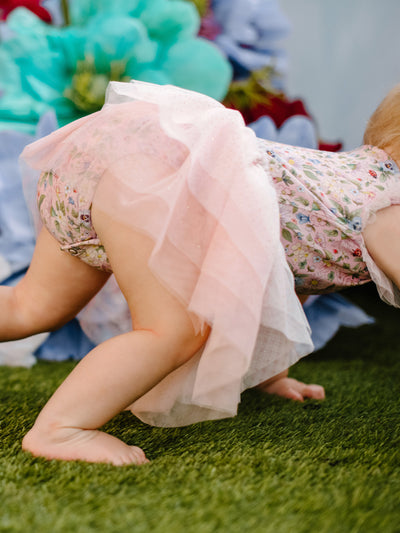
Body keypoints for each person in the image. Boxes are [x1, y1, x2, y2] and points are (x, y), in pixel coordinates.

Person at [3, 81, 399, 466]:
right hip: (144, 169)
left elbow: (287, 276)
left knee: (30, 306)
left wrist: (269, 373)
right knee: (172, 331)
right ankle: (60, 429)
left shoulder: (346, 182)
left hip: (99, 157)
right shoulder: (387, 203)